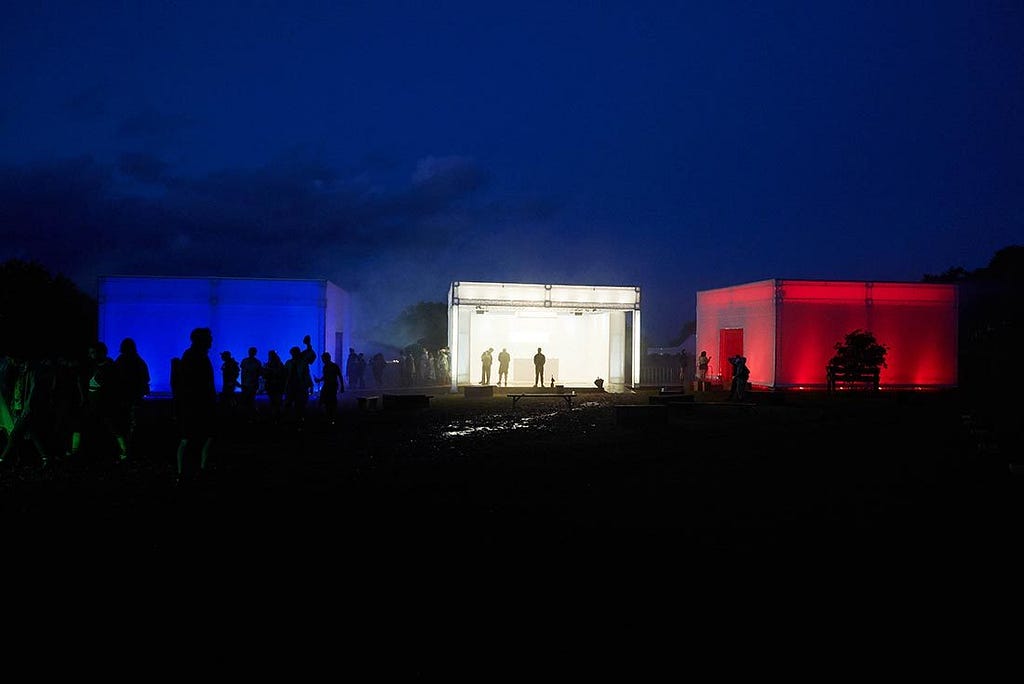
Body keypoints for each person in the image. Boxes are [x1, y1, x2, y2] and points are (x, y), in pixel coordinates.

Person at [173, 327, 216, 483]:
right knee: (196, 438)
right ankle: (193, 472)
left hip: (193, 406)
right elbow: (198, 384)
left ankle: (185, 473)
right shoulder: (196, 357)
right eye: (209, 338)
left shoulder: (192, 356)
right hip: (195, 406)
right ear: (202, 340)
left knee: (191, 438)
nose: (212, 340)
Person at [113, 337, 150, 461]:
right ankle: (133, 450)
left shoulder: (119, 361)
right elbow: (146, 379)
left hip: (121, 400)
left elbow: (114, 380)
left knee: (122, 426)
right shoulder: (139, 361)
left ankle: (125, 451)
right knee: (133, 426)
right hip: (135, 399)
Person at [284, 345, 312, 423]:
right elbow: (285, 374)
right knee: (289, 404)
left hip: (299, 386)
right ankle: (292, 420)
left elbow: (306, 374)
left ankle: (297, 420)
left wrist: (310, 385)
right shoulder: (289, 363)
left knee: (298, 405)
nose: (294, 354)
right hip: (292, 386)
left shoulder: (301, 363)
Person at [315, 351, 344, 424]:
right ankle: (331, 415)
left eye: (323, 359)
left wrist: (319, 380)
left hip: (330, 385)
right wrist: (342, 386)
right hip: (332, 385)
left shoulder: (329, 366)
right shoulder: (333, 366)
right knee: (330, 399)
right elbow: (339, 376)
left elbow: (338, 376)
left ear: (326, 359)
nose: (322, 360)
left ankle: (329, 415)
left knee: (326, 399)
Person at [239, 346, 262, 416]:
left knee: (249, 399)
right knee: (248, 400)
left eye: (252, 352)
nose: (251, 353)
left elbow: (258, 373)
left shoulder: (246, 361)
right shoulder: (256, 362)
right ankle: (249, 414)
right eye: (250, 351)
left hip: (251, 383)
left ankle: (249, 414)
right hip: (247, 383)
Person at [263, 350, 286, 421]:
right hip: (274, 385)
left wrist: (268, 370)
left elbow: (281, 374)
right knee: (276, 401)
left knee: (275, 401)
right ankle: (278, 417)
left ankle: (276, 417)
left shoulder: (271, 364)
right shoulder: (279, 364)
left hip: (275, 385)